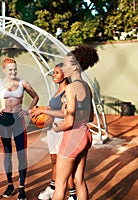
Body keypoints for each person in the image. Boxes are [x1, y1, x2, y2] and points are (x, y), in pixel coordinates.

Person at [52, 44, 98, 200]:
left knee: (60, 184)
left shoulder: (71, 88)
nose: (63, 68)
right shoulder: (87, 87)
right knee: (79, 180)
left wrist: (58, 127)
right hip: (85, 135)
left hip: (73, 136)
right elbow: (90, 117)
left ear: (76, 67)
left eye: (65, 65)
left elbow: (69, 122)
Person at [0, 57, 39, 200]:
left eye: (15, 69)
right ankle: (10, 184)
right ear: (4, 70)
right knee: (7, 154)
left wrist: (28, 110)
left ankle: (22, 187)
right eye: (10, 69)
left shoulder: (23, 83)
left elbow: (35, 97)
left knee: (21, 154)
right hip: (4, 119)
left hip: (18, 119)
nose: (13, 71)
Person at [31, 64, 77, 200]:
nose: (54, 75)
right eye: (54, 73)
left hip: (62, 130)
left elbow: (65, 113)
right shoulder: (57, 93)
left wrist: (43, 111)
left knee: (63, 164)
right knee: (54, 161)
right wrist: (36, 114)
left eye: (57, 73)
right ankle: (52, 187)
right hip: (52, 131)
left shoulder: (67, 92)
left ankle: (73, 194)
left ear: (65, 74)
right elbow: (50, 110)